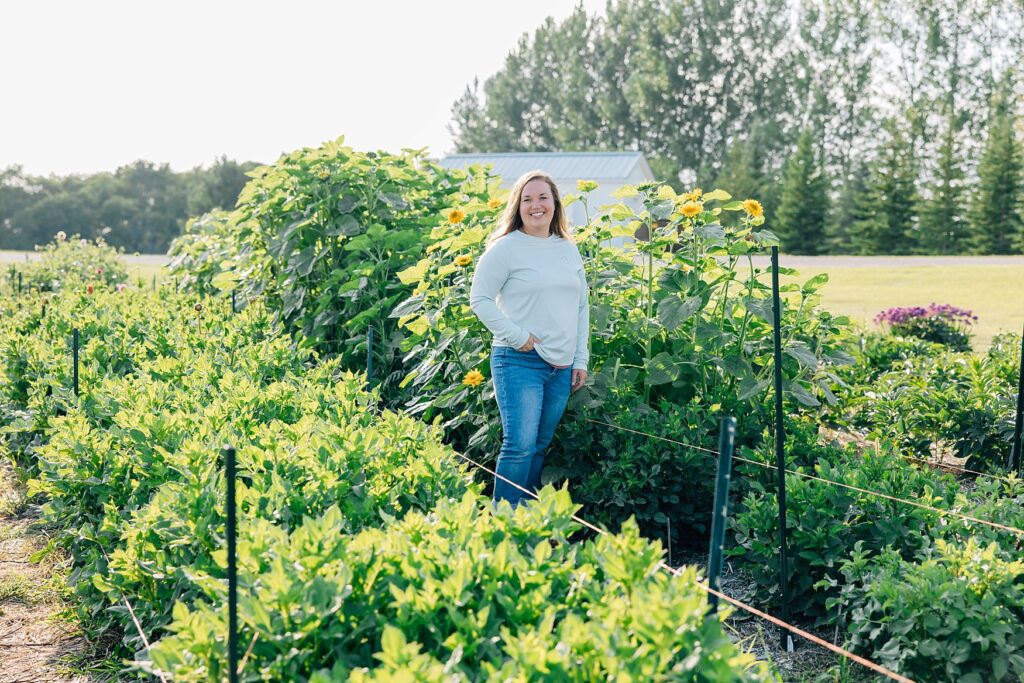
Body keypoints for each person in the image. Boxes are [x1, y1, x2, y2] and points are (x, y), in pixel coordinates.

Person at [469, 170, 590, 507]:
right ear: (517, 206)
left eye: (543, 198)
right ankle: (503, 525)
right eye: (527, 199)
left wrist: (579, 359)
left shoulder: (567, 249)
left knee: (538, 444)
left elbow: (581, 306)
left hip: (561, 366)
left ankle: (527, 522)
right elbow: (478, 299)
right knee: (519, 445)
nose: (536, 205)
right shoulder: (505, 249)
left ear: (555, 205)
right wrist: (518, 336)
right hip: (518, 359)